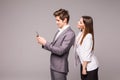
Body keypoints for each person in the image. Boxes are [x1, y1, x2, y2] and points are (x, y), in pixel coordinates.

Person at [36, 8, 75, 80]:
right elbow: (54, 46)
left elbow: (60, 51)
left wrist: (45, 43)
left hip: (60, 68)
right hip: (54, 66)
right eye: (56, 20)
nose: (56, 22)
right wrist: (43, 43)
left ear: (65, 20)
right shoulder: (59, 31)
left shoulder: (70, 33)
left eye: (58, 20)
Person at [74, 16, 99, 80]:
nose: (77, 22)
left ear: (85, 25)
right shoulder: (80, 33)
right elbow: (76, 46)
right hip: (83, 64)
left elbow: (87, 54)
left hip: (90, 66)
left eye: (80, 22)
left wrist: (84, 68)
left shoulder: (88, 36)